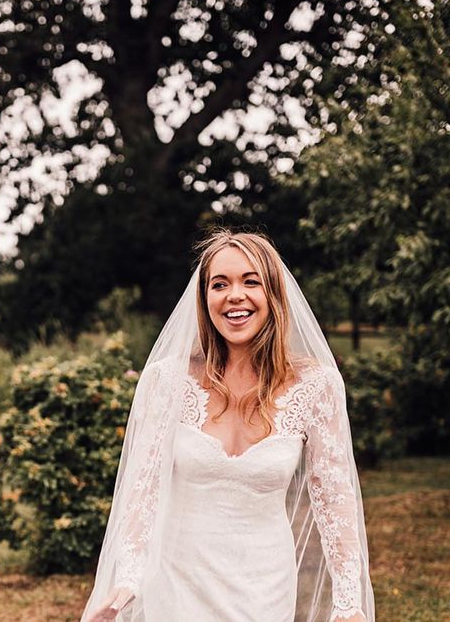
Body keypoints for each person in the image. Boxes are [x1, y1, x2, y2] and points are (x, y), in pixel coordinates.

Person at [81, 230, 374, 622]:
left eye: (250, 281)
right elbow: (141, 490)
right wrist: (128, 579)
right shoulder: (167, 380)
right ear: (204, 300)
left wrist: (348, 600)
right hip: (176, 582)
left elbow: (336, 503)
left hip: (265, 587)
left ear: (273, 293)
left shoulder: (316, 385)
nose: (235, 295)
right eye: (220, 284)